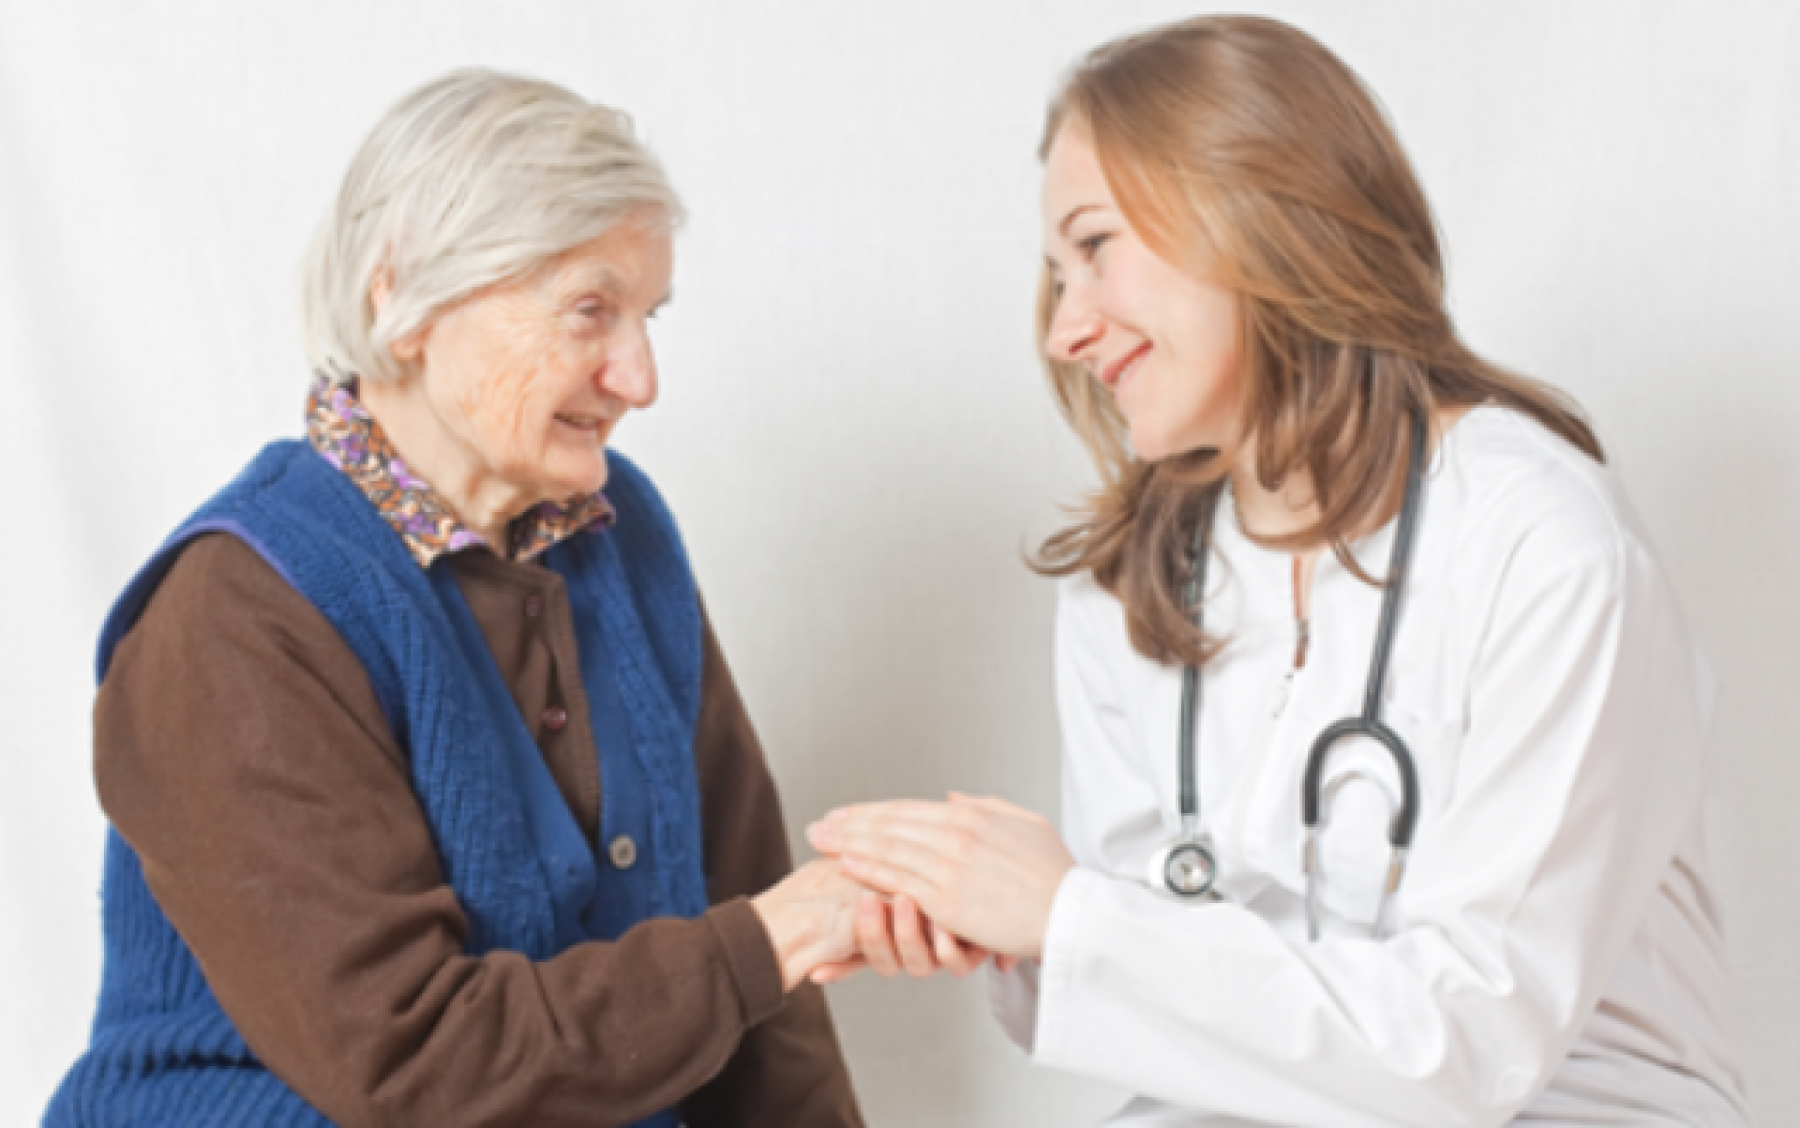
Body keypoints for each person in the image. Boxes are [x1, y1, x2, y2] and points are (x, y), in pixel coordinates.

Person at [807, 16, 1752, 1126]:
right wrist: (1004, 927)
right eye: (1054, 276)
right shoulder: (1130, 582)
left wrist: (1071, 917)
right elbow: (1174, 986)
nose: (1064, 330)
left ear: (1254, 214)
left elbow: (1469, 1047)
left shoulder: (1540, 545)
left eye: (1095, 246)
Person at [48, 69, 865, 1128]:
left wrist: (781, 947)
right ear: (402, 299)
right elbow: (412, 1067)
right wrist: (778, 938)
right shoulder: (237, 615)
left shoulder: (627, 535)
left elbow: (749, 927)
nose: (640, 376)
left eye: (647, 316)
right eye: (589, 311)